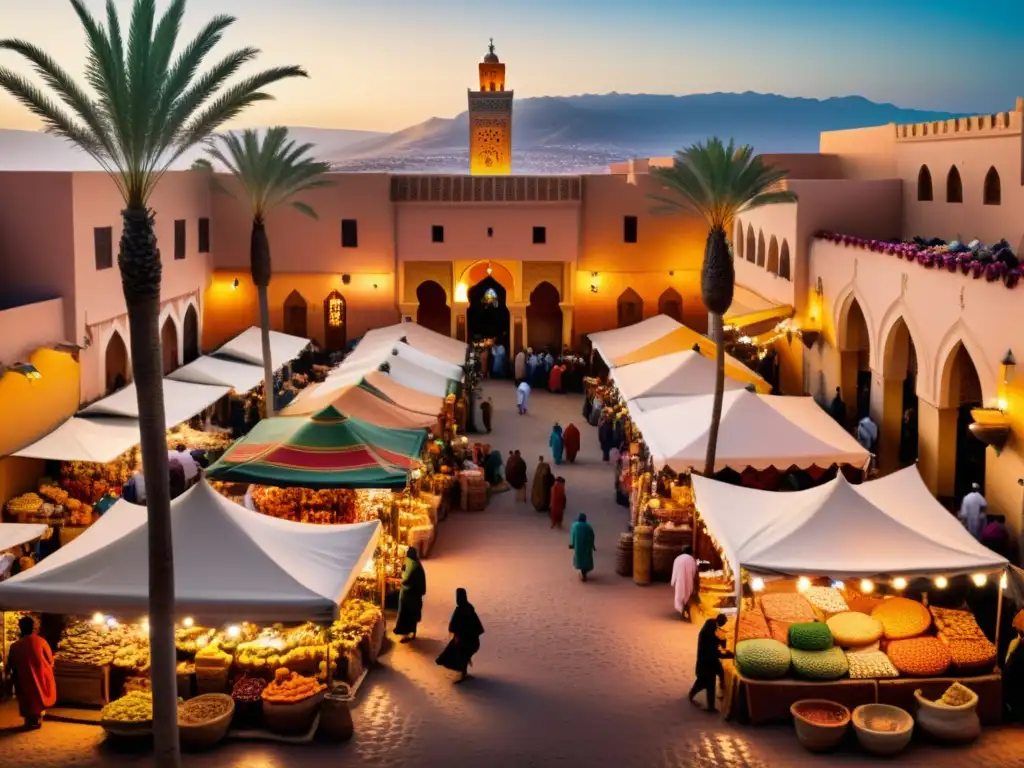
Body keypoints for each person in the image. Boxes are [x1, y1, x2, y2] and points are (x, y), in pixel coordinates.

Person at [7, 616, 56, 728]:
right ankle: (36, 720)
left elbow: (11, 664)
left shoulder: (15, 646)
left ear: (21, 628)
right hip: (40, 678)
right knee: (38, 700)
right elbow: (50, 660)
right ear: (33, 628)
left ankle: (30, 721)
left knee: (28, 702)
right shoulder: (41, 642)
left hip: (23, 680)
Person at [436, 588, 485, 683]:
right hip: (473, 641)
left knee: (455, 653)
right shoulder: (469, 608)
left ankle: (463, 673)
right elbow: (477, 626)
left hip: (465, 641)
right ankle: (463, 671)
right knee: (461, 654)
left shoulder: (460, 610)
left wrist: (458, 635)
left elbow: (454, 625)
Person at [689, 614, 729, 713]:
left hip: (706, 659)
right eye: (723, 623)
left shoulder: (711, 624)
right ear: (720, 621)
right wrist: (725, 652)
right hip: (707, 661)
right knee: (707, 682)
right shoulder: (711, 627)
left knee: (705, 681)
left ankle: (695, 696)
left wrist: (719, 641)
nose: (723, 625)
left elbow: (712, 641)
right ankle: (707, 705)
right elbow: (712, 648)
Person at [393, 547, 427, 643]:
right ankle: (411, 632)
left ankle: (407, 634)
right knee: (411, 615)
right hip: (412, 594)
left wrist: (400, 578)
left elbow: (406, 578)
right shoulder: (414, 563)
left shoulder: (412, 565)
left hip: (410, 595)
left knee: (407, 614)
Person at [671, 547, 698, 621]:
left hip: (679, 581)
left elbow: (675, 571)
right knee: (687, 596)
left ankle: (682, 613)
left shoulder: (677, 559)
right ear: (691, 552)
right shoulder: (691, 559)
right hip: (688, 581)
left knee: (680, 596)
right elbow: (694, 571)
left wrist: (673, 581)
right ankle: (688, 614)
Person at [569, 512, 596, 581]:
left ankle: (582, 573)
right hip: (587, 547)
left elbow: (573, 535)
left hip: (578, 547)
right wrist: (592, 545)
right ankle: (584, 573)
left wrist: (571, 544)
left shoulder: (575, 526)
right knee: (586, 560)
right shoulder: (588, 527)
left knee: (580, 559)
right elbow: (592, 536)